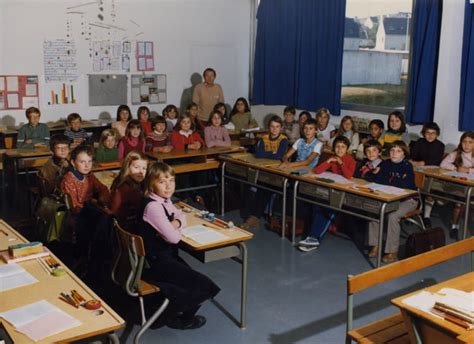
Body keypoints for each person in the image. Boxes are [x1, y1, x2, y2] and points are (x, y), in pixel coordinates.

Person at [138, 162, 220, 329]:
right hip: (154, 264)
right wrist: (176, 224)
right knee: (204, 286)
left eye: (172, 180)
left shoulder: (163, 200)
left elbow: (180, 214)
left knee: (196, 282)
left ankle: (170, 313)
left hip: (161, 257)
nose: (168, 186)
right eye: (162, 181)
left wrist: (175, 222)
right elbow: (174, 238)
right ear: (151, 184)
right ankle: (172, 319)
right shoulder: (153, 207)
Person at [297, 136, 356, 252]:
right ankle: (311, 236)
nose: (340, 149)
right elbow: (317, 171)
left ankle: (314, 238)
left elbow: (348, 175)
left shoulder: (350, 160)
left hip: (344, 192)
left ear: (347, 149)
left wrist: (341, 164)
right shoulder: (332, 158)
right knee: (317, 205)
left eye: (343, 147)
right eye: (337, 147)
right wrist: (329, 161)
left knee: (328, 209)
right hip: (332, 190)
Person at [60, 145, 110, 270]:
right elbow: (75, 206)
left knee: (107, 218)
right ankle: (92, 258)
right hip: (76, 215)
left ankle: (99, 254)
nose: (87, 165)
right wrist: (94, 205)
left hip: (88, 209)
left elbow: (102, 188)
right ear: (73, 162)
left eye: (89, 161)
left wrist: (102, 197)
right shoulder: (68, 179)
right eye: (82, 162)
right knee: (104, 220)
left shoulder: (89, 176)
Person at [367, 141, 417, 263]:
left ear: (404, 154)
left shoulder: (407, 166)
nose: (394, 153)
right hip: (388, 197)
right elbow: (378, 180)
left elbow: (406, 186)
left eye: (398, 151)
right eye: (392, 151)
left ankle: (392, 251)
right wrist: (395, 179)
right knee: (375, 210)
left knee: (393, 216)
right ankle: (375, 245)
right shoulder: (386, 163)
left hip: (408, 200)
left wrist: (389, 180)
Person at [242, 116, 288, 230]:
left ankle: (254, 217)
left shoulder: (283, 139)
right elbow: (258, 154)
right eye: (272, 126)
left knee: (264, 188)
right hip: (265, 171)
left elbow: (279, 156)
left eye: (277, 127)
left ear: (281, 128)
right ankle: (253, 217)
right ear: (268, 127)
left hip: (278, 173)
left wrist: (269, 153)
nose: (274, 129)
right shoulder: (264, 138)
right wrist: (272, 153)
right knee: (259, 186)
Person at [409, 122, 445, 227]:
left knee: (429, 191)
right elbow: (413, 156)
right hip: (418, 170)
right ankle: (412, 210)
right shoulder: (419, 142)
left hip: (431, 173)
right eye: (427, 133)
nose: (430, 135)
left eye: (433, 133)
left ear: (437, 134)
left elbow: (436, 161)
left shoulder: (440, 145)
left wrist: (423, 162)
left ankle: (426, 216)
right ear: (423, 133)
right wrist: (416, 163)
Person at [440, 131, 474, 239]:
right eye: (464, 142)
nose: (467, 145)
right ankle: (455, 226)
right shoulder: (457, 153)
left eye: (470, 142)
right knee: (459, 203)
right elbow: (443, 164)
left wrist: (468, 170)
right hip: (461, 186)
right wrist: (456, 168)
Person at [110, 151, 148, 229]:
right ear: (127, 167)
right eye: (136, 167)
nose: (141, 171)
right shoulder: (130, 188)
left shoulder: (121, 180)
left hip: (118, 224)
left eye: (144, 168)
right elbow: (145, 209)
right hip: (125, 228)